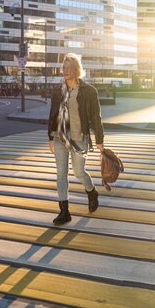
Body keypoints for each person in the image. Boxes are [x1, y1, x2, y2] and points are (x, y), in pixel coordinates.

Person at [48, 53, 104, 225]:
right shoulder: (58, 90)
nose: (65, 71)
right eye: (63, 67)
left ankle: (92, 192)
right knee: (61, 174)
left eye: (69, 67)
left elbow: (96, 117)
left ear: (76, 69)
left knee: (79, 172)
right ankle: (64, 211)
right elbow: (52, 115)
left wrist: (99, 140)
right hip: (60, 137)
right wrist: (50, 136)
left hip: (79, 137)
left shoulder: (89, 91)